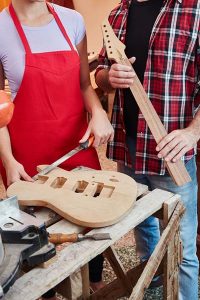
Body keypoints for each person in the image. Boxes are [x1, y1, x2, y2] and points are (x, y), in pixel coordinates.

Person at [0, 0, 114, 299]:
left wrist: (99, 112)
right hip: (26, 151)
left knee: (92, 212)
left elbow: (84, 86)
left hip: (76, 146)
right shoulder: (1, 28)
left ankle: (95, 280)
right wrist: (9, 159)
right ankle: (46, 290)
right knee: (35, 231)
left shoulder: (72, 20)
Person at [95, 0, 200, 299]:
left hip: (172, 158)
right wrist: (108, 79)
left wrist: (192, 133)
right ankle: (152, 284)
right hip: (128, 152)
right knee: (143, 232)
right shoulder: (117, 14)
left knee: (182, 250)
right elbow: (100, 73)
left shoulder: (194, 9)